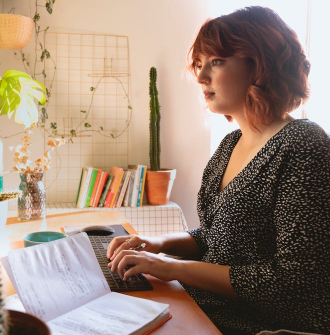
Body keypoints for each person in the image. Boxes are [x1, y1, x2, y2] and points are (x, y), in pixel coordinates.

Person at [107, 6, 330, 335]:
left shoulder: (303, 145)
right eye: (199, 64)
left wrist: (171, 268)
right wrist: (157, 244)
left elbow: (294, 280)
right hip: (204, 307)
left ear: (259, 64)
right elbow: (218, 238)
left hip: (251, 325)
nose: (200, 76)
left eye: (217, 61)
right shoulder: (230, 145)